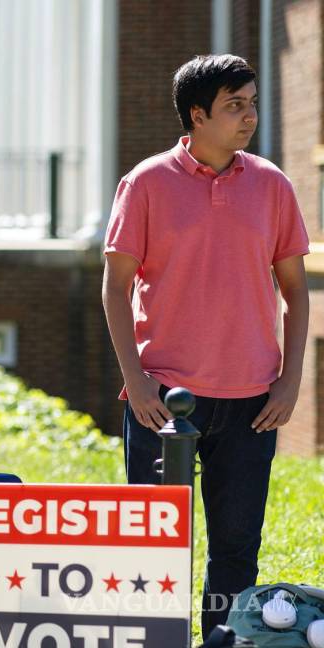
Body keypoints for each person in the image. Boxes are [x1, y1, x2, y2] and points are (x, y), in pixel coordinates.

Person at [101, 54, 309, 638]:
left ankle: (223, 641)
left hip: (253, 401)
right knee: (151, 549)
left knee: (237, 553)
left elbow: (295, 290)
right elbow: (115, 288)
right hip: (164, 399)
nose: (249, 117)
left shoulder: (272, 185)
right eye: (233, 106)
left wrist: (290, 381)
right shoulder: (144, 183)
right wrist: (138, 381)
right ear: (197, 115)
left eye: (251, 103)